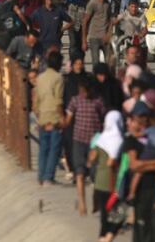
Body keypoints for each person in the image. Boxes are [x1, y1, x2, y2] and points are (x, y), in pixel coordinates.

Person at [65, 75, 106, 216]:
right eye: (82, 91)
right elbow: (68, 119)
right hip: (78, 141)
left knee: (95, 175)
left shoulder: (98, 102)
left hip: (94, 144)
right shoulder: (75, 101)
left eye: (86, 91)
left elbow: (104, 120)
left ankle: (96, 203)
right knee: (80, 173)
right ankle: (82, 204)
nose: (84, 94)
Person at [89, 111, 125, 242]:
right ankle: (105, 238)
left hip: (99, 182)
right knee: (119, 214)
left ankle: (102, 237)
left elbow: (91, 158)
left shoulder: (101, 138)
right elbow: (111, 162)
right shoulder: (119, 139)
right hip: (112, 182)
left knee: (105, 216)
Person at [34, 51, 66, 186]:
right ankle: (48, 176)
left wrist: (39, 115)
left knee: (43, 148)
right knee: (54, 148)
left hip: (42, 116)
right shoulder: (59, 78)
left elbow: (36, 100)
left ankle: (41, 176)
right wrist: (62, 117)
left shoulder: (40, 77)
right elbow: (58, 100)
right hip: (54, 117)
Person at [128, 124, 155, 212]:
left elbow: (137, 135)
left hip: (151, 150)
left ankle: (132, 193)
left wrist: (131, 132)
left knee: (138, 172)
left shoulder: (151, 129)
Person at [83, 0, 113, 66]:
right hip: (94, 37)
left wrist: (109, 34)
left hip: (105, 38)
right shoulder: (92, 4)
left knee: (109, 63)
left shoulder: (107, 4)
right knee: (96, 63)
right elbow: (85, 21)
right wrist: (84, 40)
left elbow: (110, 20)